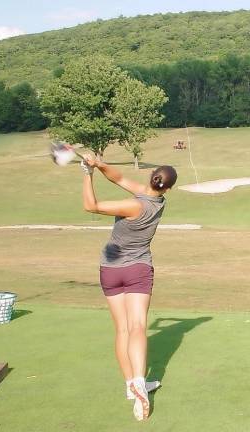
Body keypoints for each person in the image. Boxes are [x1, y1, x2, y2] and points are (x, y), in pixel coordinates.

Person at [81, 156, 177, 421]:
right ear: (167, 188)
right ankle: (138, 382)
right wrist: (100, 164)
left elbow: (91, 206)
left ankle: (131, 386)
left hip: (110, 270)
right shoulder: (157, 201)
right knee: (137, 327)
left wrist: (87, 173)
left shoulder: (134, 204)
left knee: (123, 329)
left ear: (151, 178)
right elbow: (119, 178)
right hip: (138, 270)